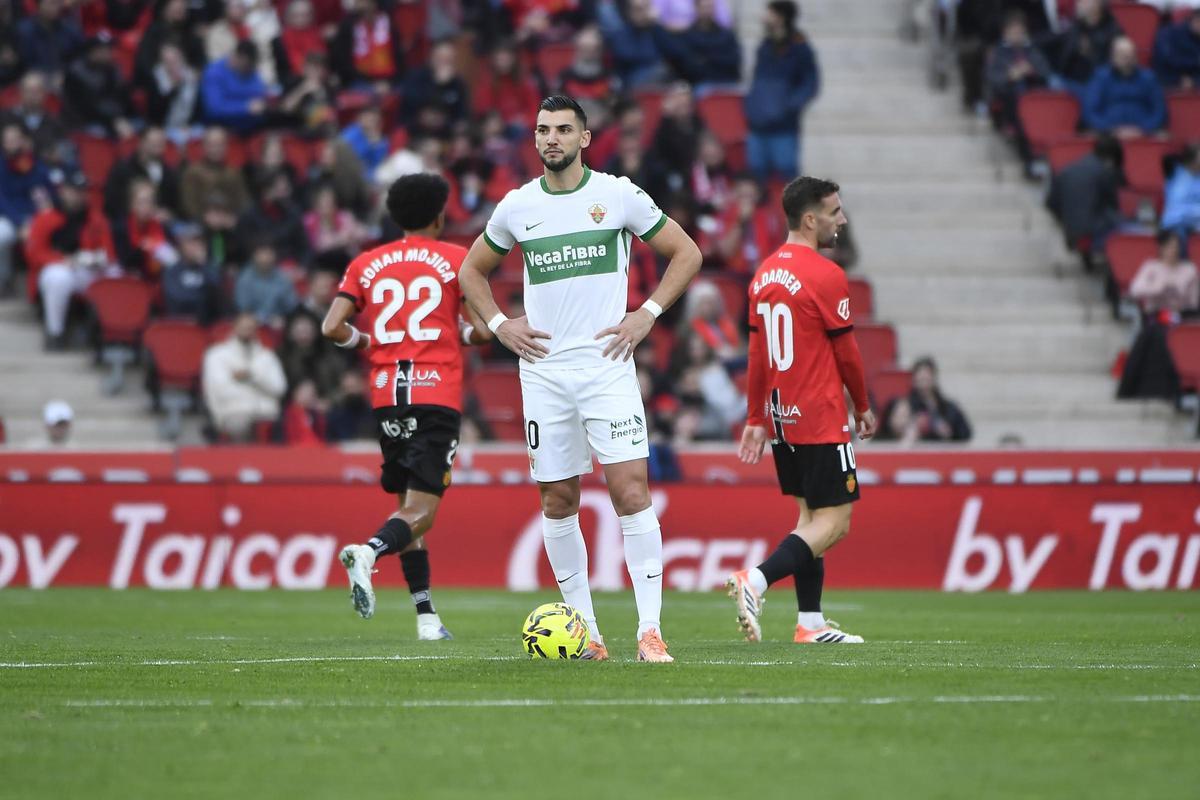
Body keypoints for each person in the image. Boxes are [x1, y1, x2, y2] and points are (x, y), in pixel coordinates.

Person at [459, 95, 703, 663]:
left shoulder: (617, 195)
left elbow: (686, 253)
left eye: (564, 130)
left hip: (606, 367)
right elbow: (471, 270)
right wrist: (499, 325)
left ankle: (649, 631)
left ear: (585, 138)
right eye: (543, 129)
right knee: (557, 499)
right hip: (543, 373)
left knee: (631, 492)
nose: (552, 138)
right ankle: (588, 634)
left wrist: (647, 314)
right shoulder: (518, 206)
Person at [327, 173, 492, 640]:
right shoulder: (457, 260)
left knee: (406, 506)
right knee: (423, 510)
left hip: (387, 397)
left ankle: (426, 618)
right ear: (439, 216)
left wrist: (366, 342)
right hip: (434, 394)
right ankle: (369, 552)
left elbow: (331, 326)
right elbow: (484, 330)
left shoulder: (366, 263)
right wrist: (456, 333)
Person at [727, 176, 876, 645]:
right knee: (835, 523)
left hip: (782, 419)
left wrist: (755, 418)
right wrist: (863, 406)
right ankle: (756, 580)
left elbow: (757, 356)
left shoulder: (763, 274)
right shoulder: (826, 275)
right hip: (819, 415)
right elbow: (848, 353)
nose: (842, 220)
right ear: (810, 219)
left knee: (810, 520)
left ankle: (810, 622)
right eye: (835, 212)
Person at [26, 169, 116, 346]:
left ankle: (111, 334)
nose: (78, 195)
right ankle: (55, 333)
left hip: (86, 270)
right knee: (60, 278)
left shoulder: (95, 218)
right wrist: (62, 260)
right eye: (74, 190)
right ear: (63, 191)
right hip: (53, 270)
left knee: (115, 276)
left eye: (82, 191)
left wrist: (96, 258)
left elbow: (109, 252)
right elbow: (33, 253)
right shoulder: (47, 217)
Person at [1118, 230, 1200, 399]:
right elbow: (1136, 289)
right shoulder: (1151, 267)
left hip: (1182, 317)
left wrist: (1178, 294)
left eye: (1176, 247)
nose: (1173, 250)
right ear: (1161, 248)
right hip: (1158, 318)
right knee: (1158, 337)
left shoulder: (1189, 270)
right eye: (1169, 246)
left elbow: (1193, 301)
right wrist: (1159, 288)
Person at [744, 0, 819, 181]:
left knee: (787, 173)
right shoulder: (765, 45)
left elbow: (810, 82)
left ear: (781, 17)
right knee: (756, 173)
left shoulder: (799, 46)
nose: (764, 17)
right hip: (758, 123)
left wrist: (789, 106)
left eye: (769, 13)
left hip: (784, 126)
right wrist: (752, 106)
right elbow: (757, 81)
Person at [202, 311, 288, 441]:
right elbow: (219, 390)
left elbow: (279, 388)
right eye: (243, 327)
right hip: (233, 412)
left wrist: (251, 377)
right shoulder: (216, 355)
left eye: (251, 328)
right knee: (239, 426)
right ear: (234, 327)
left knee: (284, 427)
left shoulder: (267, 356)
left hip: (267, 413)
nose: (247, 331)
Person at [1083, 37, 1166, 137]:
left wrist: (1143, 129)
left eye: (1130, 55)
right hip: (1108, 135)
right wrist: (1109, 130)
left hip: (1143, 134)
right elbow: (1090, 111)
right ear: (1112, 56)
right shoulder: (1100, 77)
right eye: (1122, 55)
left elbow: (1159, 111)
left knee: (1163, 136)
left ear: (1136, 57)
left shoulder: (1149, 78)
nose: (1127, 59)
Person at [201, 40, 270, 135]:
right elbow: (214, 108)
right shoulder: (214, 72)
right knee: (216, 135)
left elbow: (259, 94)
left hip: (251, 123)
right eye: (247, 66)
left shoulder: (252, 71)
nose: (250, 70)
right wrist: (245, 107)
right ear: (238, 58)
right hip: (221, 124)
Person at [908, 357, 972, 441]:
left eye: (927, 374)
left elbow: (966, 433)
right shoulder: (906, 406)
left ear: (934, 377)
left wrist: (950, 432)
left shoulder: (948, 406)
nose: (924, 378)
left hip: (944, 447)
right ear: (914, 379)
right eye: (920, 375)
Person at [1152, 9, 1200, 89]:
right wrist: (1178, 80)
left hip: (1194, 81)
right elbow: (1167, 60)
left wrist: (1194, 81)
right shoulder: (1170, 34)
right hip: (1169, 80)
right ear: (1195, 20)